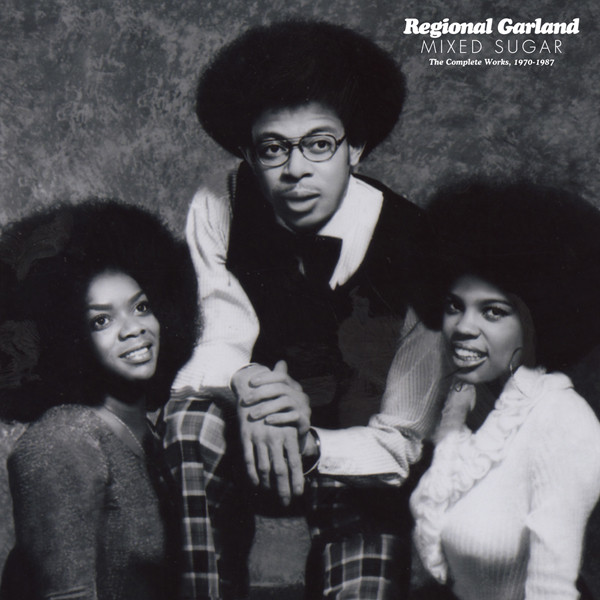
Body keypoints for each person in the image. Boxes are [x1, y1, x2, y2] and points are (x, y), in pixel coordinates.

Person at [163, 19, 446, 600]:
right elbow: (220, 336)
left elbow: (401, 440)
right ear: (248, 153)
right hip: (248, 438)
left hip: (358, 466)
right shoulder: (219, 203)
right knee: (189, 420)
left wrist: (312, 441)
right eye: (273, 148)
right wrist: (252, 389)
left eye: (319, 144)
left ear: (356, 147)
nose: (295, 170)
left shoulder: (421, 248)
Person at [409, 181, 600, 600]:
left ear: (535, 322)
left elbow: (551, 589)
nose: (463, 327)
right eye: (454, 305)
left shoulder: (562, 420)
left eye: (493, 312)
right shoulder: (470, 410)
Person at [0, 200, 199, 600]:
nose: (133, 329)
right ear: (68, 338)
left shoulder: (158, 437)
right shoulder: (63, 440)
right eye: (101, 320)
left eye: (141, 307)